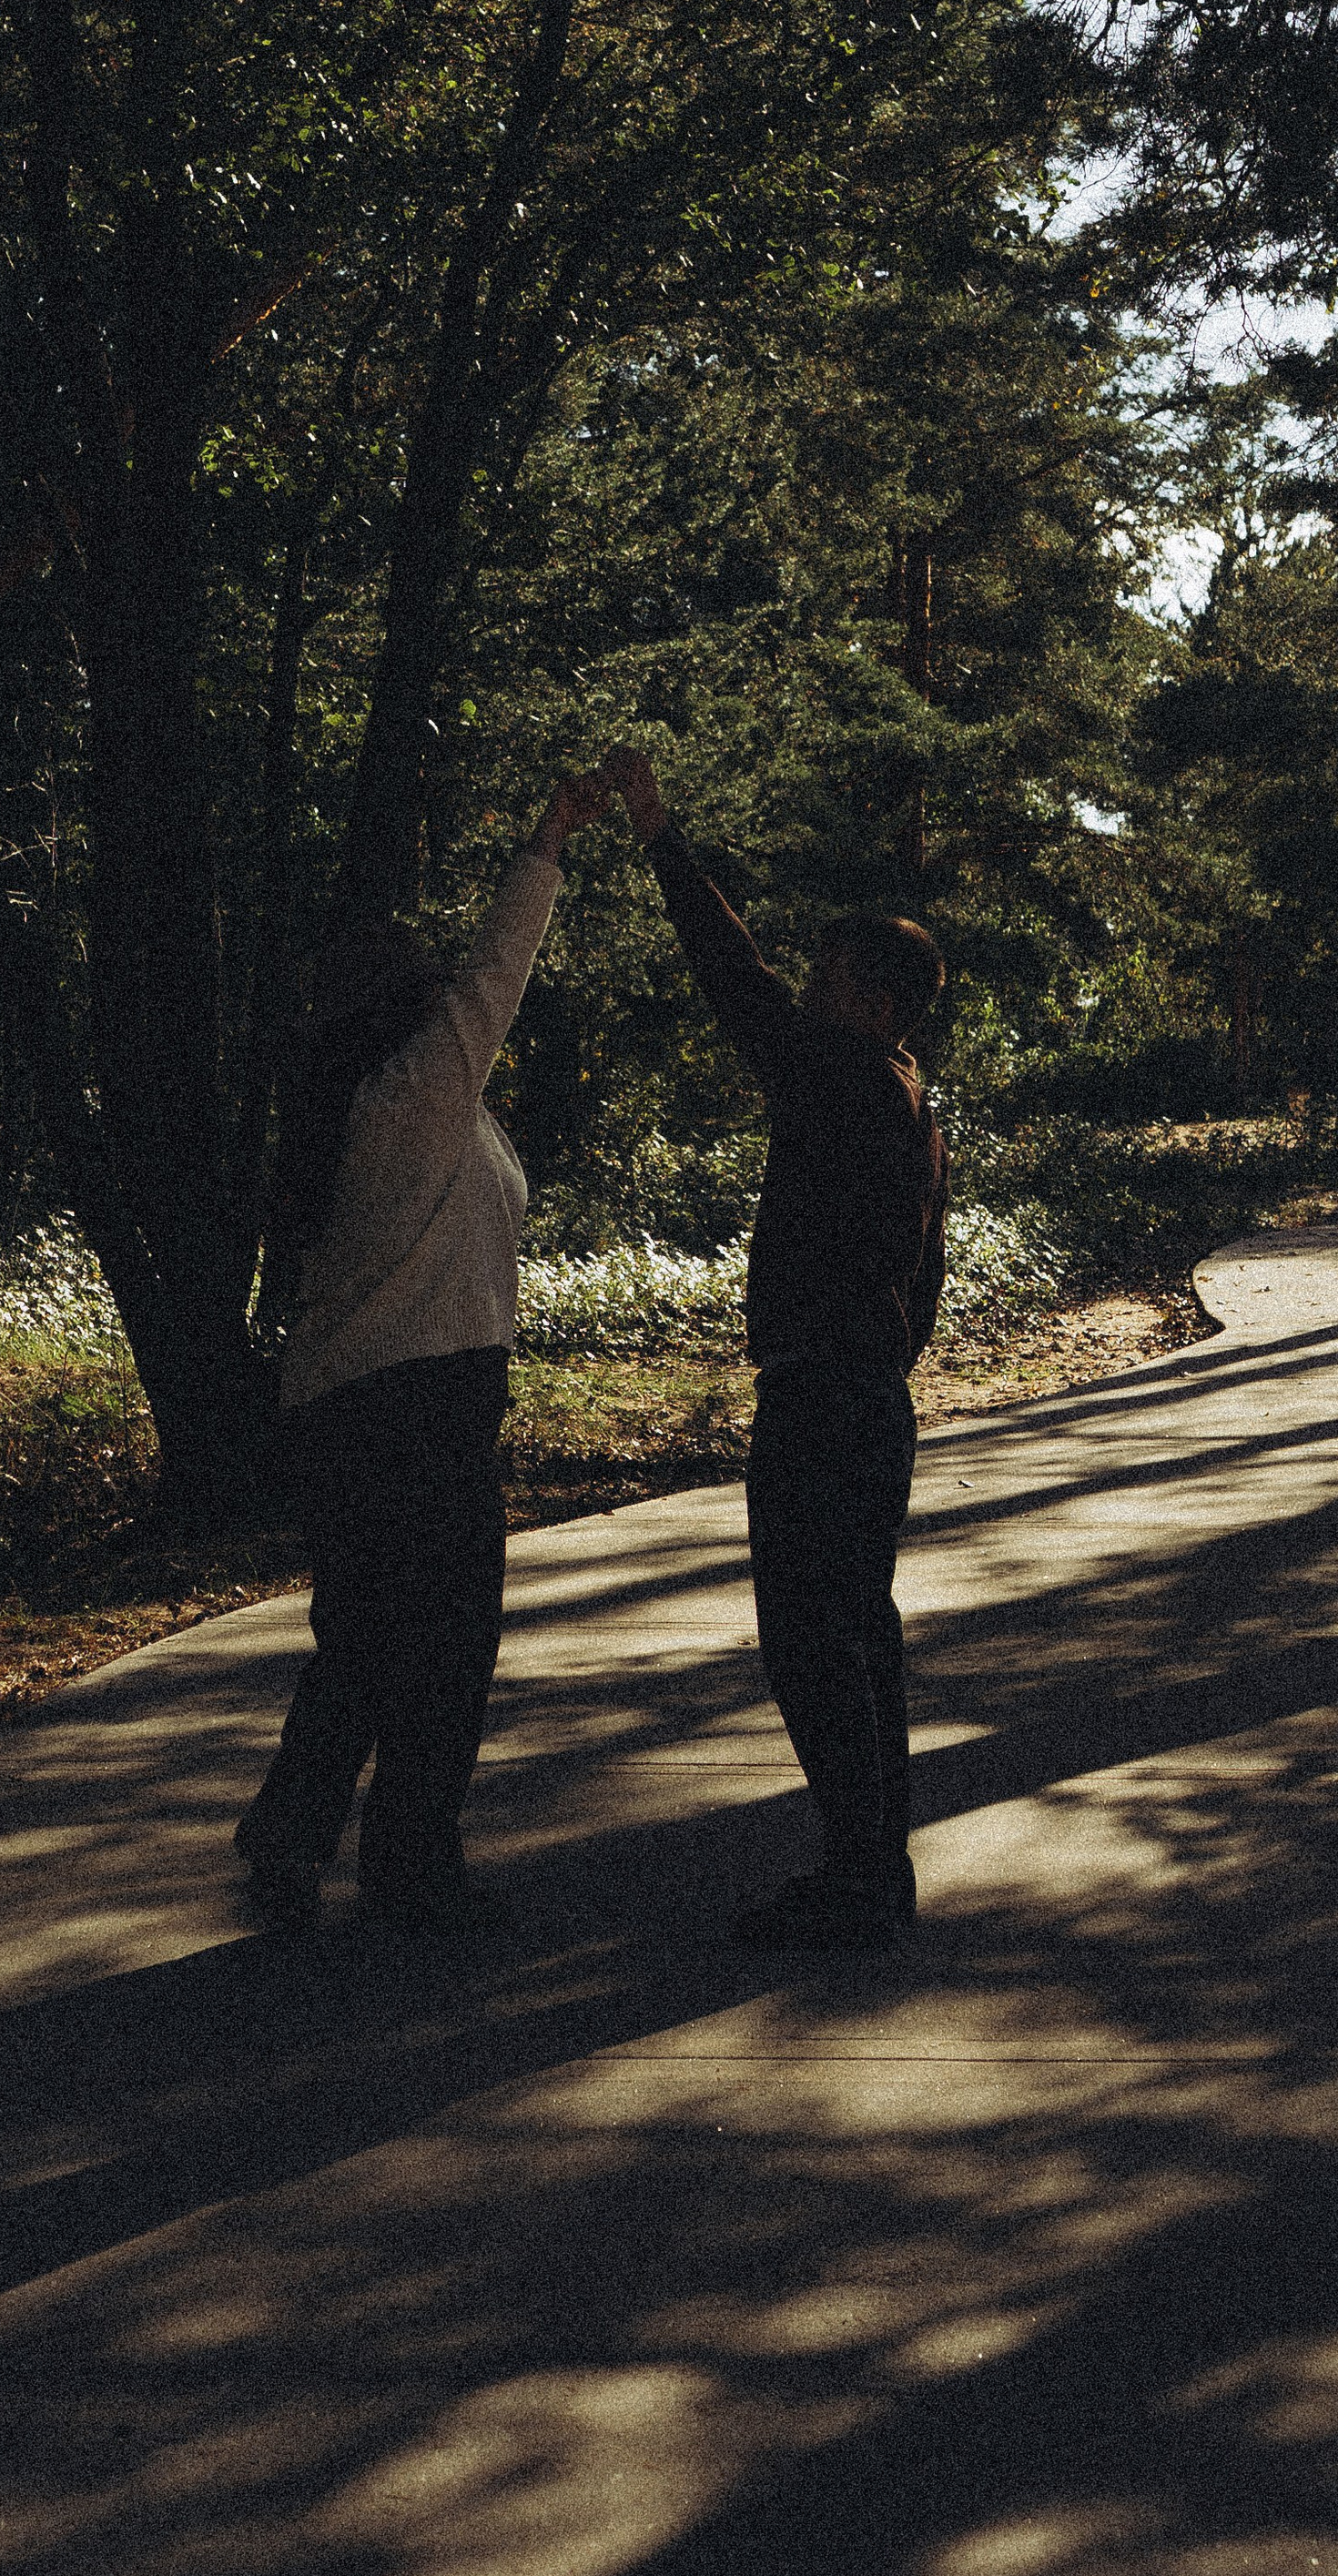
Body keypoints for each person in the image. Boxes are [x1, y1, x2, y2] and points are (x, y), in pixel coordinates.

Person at [235, 770, 608, 1933]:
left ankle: (292, 1835)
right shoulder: (404, 1098)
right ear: (399, 1013)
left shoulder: (407, 1105)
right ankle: (409, 1871)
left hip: (379, 1406)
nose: (447, 999)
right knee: (441, 1650)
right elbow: (496, 977)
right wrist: (545, 841)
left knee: (364, 1643)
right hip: (405, 1413)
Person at [603, 745, 948, 1951]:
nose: (805, 987)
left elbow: (728, 973)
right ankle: (873, 1870)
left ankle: (858, 1882)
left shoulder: (842, 1074)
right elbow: (929, 1281)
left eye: (828, 975)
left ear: (872, 998)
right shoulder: (909, 1094)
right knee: (862, 1640)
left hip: (824, 1399)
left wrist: (660, 838)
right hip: (870, 1398)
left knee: (812, 1645)